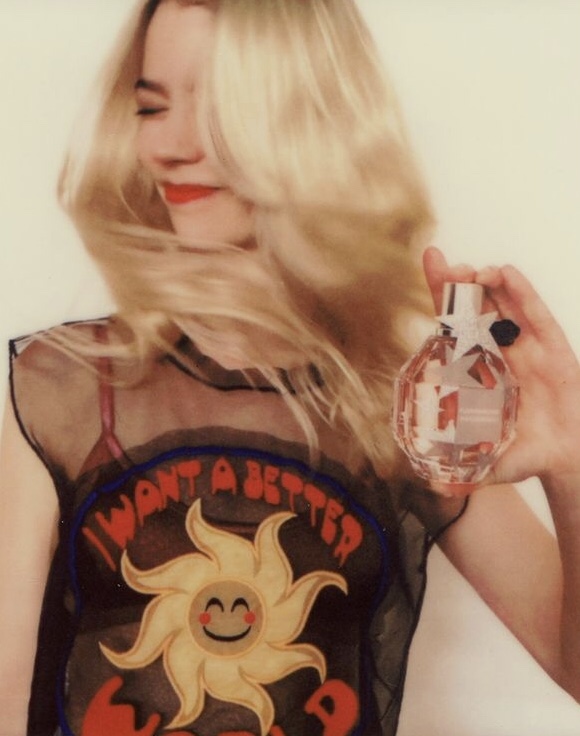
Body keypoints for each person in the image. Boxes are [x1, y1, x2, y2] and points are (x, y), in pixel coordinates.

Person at [1, 1, 580, 735]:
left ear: (314, 124)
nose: (169, 147)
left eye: (220, 109)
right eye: (152, 107)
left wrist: (571, 462)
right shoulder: (62, 389)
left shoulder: (404, 403)